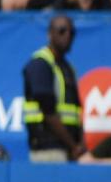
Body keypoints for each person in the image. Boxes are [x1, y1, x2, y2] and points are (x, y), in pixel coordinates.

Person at [22, 14, 84, 163]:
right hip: (48, 149)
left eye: (71, 32)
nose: (67, 35)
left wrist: (78, 144)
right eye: (62, 30)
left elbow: (76, 112)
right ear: (50, 34)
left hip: (68, 149)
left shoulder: (68, 68)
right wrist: (74, 146)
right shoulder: (40, 64)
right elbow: (48, 111)